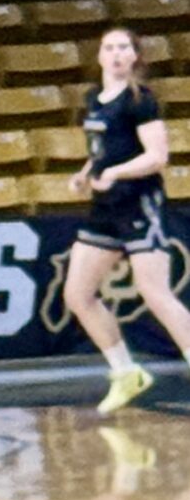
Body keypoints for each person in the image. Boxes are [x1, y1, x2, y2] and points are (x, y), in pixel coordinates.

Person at [64, 26, 190, 415]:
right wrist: (86, 173)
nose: (116, 54)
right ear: (99, 56)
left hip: (139, 204)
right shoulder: (94, 99)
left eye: (124, 48)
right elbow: (102, 151)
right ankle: (125, 372)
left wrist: (116, 173)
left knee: (156, 293)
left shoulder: (141, 100)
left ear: (135, 57)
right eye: (109, 48)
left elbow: (157, 156)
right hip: (105, 209)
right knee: (77, 294)